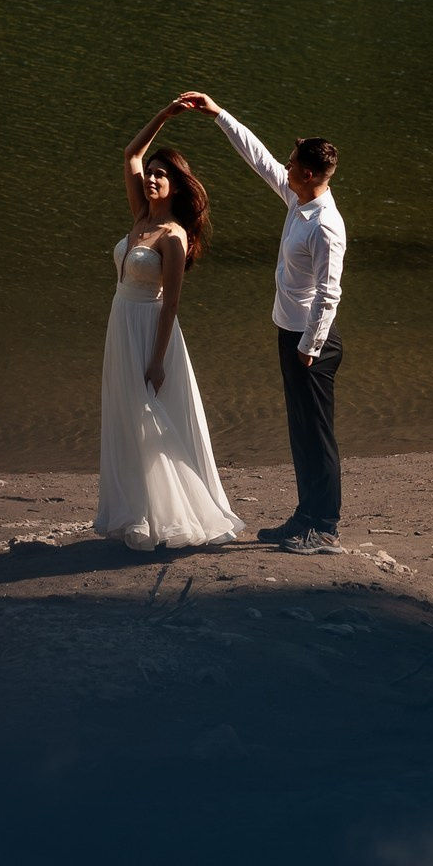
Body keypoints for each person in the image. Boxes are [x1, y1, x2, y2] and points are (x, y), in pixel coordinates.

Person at [177, 92, 346, 555]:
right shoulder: (297, 199)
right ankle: (304, 516)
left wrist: (310, 346)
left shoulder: (326, 225)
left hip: (312, 344)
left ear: (308, 174)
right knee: (299, 430)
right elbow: (259, 159)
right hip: (290, 333)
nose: (284, 168)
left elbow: (330, 293)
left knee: (317, 434)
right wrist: (219, 115)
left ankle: (325, 525)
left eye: (292, 164)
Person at [94, 97, 245, 551]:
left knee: (152, 422)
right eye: (153, 173)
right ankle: (135, 514)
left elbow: (171, 304)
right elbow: (130, 155)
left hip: (149, 330)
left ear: (178, 186)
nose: (154, 178)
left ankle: (175, 515)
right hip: (119, 324)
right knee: (125, 418)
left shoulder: (174, 237)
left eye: (163, 175)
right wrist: (164, 115)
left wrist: (157, 360)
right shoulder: (140, 217)